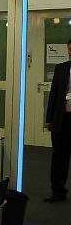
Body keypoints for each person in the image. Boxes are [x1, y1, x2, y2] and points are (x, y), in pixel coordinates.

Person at [45, 39, 71, 203]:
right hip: (62, 120)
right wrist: (49, 119)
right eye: (69, 49)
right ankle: (58, 192)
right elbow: (53, 95)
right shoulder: (61, 68)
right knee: (59, 158)